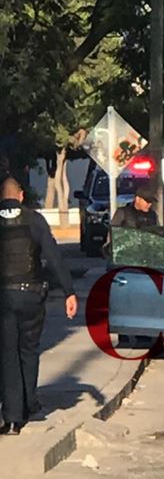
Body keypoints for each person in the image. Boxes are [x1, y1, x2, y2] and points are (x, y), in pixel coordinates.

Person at [0, 177, 78, 435]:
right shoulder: (34, 220)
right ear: (21, 196)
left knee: (8, 355)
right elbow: (53, 257)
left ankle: (12, 419)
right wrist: (69, 291)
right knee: (29, 351)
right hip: (31, 296)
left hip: (4, 298)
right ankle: (29, 404)